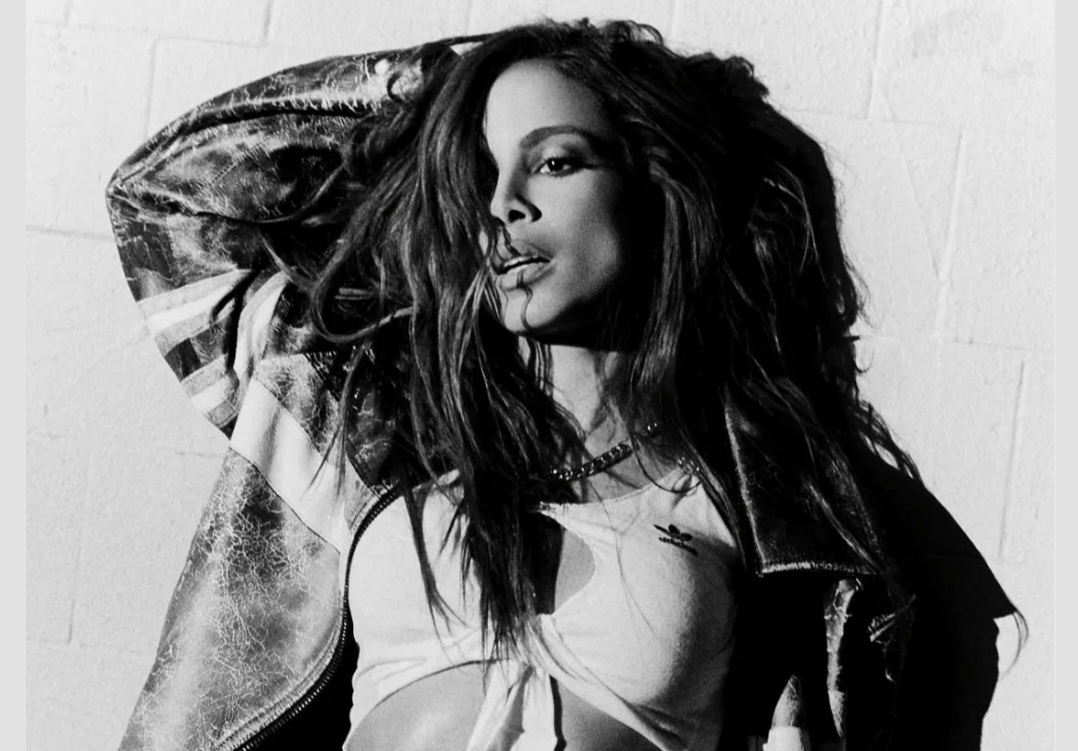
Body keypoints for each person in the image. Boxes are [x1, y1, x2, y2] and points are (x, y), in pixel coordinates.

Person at [106, 19, 1017, 751]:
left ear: (653, 181)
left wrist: (590, 69)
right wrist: (451, 87)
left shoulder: (762, 487)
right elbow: (162, 197)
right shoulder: (364, 409)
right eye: (479, 173)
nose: (504, 203)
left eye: (554, 160)